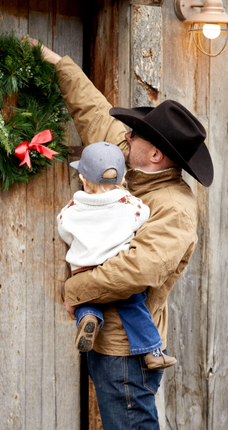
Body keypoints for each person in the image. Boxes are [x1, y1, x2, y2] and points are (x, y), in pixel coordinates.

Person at [28, 37, 213, 430]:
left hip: (125, 353)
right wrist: (59, 64)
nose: (123, 138)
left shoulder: (174, 206)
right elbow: (94, 114)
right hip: (114, 348)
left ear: (154, 153)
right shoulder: (129, 169)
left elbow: (138, 272)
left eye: (134, 137)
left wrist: (74, 291)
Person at [57, 141, 177, 369]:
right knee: (134, 306)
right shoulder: (132, 206)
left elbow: (65, 232)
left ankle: (89, 317)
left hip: (83, 270)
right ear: (122, 179)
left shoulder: (70, 211)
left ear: (82, 179)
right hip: (115, 269)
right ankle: (152, 351)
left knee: (86, 298)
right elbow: (144, 217)